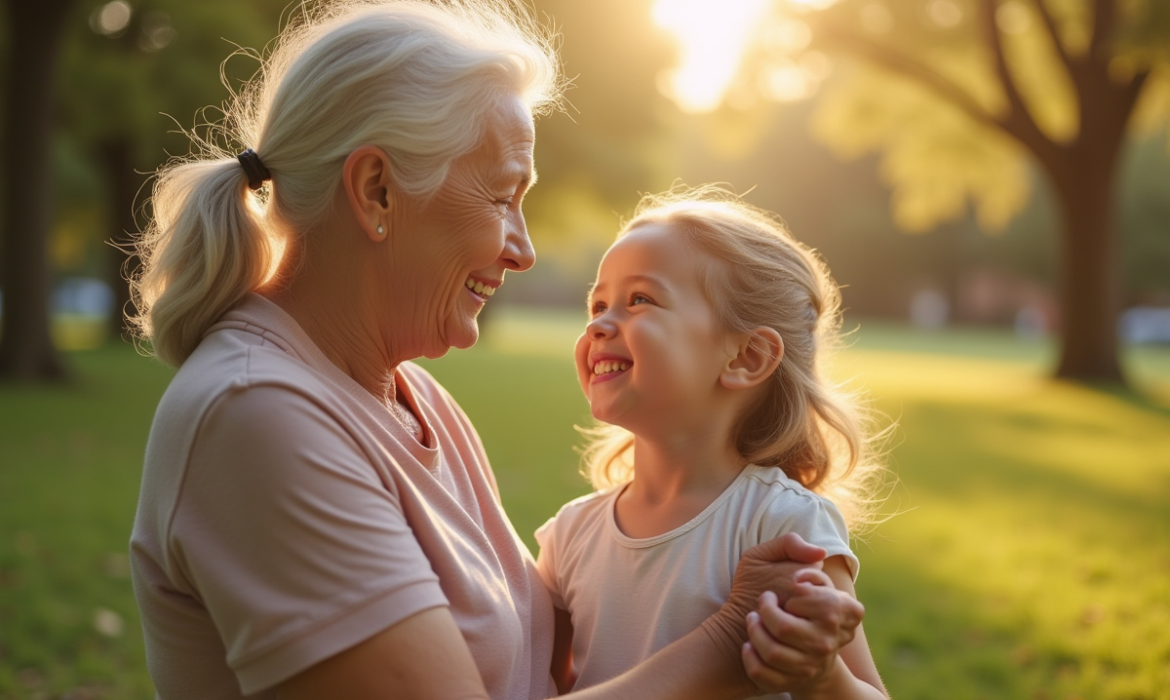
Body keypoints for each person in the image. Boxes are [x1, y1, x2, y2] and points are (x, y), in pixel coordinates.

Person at [127, 3, 847, 699]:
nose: (525, 250)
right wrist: (733, 644)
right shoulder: (256, 416)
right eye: (503, 197)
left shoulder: (411, 397)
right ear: (378, 190)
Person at [535, 187, 890, 699]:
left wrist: (821, 677)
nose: (598, 323)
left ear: (746, 357)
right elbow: (547, 684)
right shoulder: (571, 534)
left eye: (639, 300)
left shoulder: (780, 525)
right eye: (597, 303)